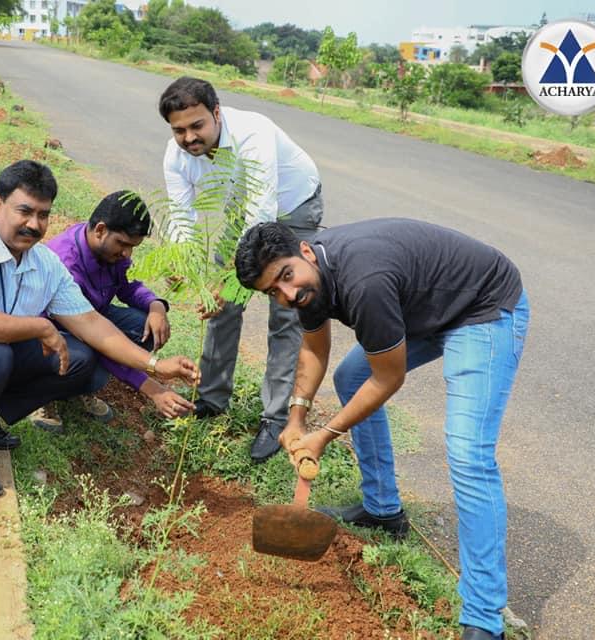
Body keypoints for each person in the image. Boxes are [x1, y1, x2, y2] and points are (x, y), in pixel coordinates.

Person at [234, 219, 529, 640]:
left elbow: (388, 378)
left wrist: (323, 434)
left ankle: (483, 619)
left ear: (305, 252)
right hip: (426, 308)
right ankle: (383, 511)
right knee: (350, 377)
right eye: (272, 292)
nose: (288, 294)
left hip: (482, 308)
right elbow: (314, 349)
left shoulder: (364, 280)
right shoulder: (307, 284)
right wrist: (296, 417)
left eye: (286, 276)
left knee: (469, 455)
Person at [0, 160, 199, 498]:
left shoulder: (44, 264)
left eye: (43, 215)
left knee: (77, 357)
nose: (34, 225)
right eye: (24, 211)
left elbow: (92, 323)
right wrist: (38, 325)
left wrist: (155, 367)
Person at [158, 76, 325, 462]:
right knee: (221, 308)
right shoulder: (175, 156)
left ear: (216, 113)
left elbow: (262, 215)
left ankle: (275, 418)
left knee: (286, 313)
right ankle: (211, 398)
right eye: (179, 130)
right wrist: (185, 267)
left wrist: (228, 280)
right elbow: (182, 217)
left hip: (292, 205)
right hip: (242, 210)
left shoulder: (253, 134)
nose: (189, 138)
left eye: (197, 125)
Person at [45, 191, 196, 422]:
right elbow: (93, 336)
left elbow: (129, 285)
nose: (127, 254)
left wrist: (156, 307)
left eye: (132, 247)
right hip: (56, 332)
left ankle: (81, 384)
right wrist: (152, 386)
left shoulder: (109, 251)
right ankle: (46, 396)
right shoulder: (66, 264)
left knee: (144, 326)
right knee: (88, 362)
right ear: (100, 230)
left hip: (94, 318)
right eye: (123, 244)